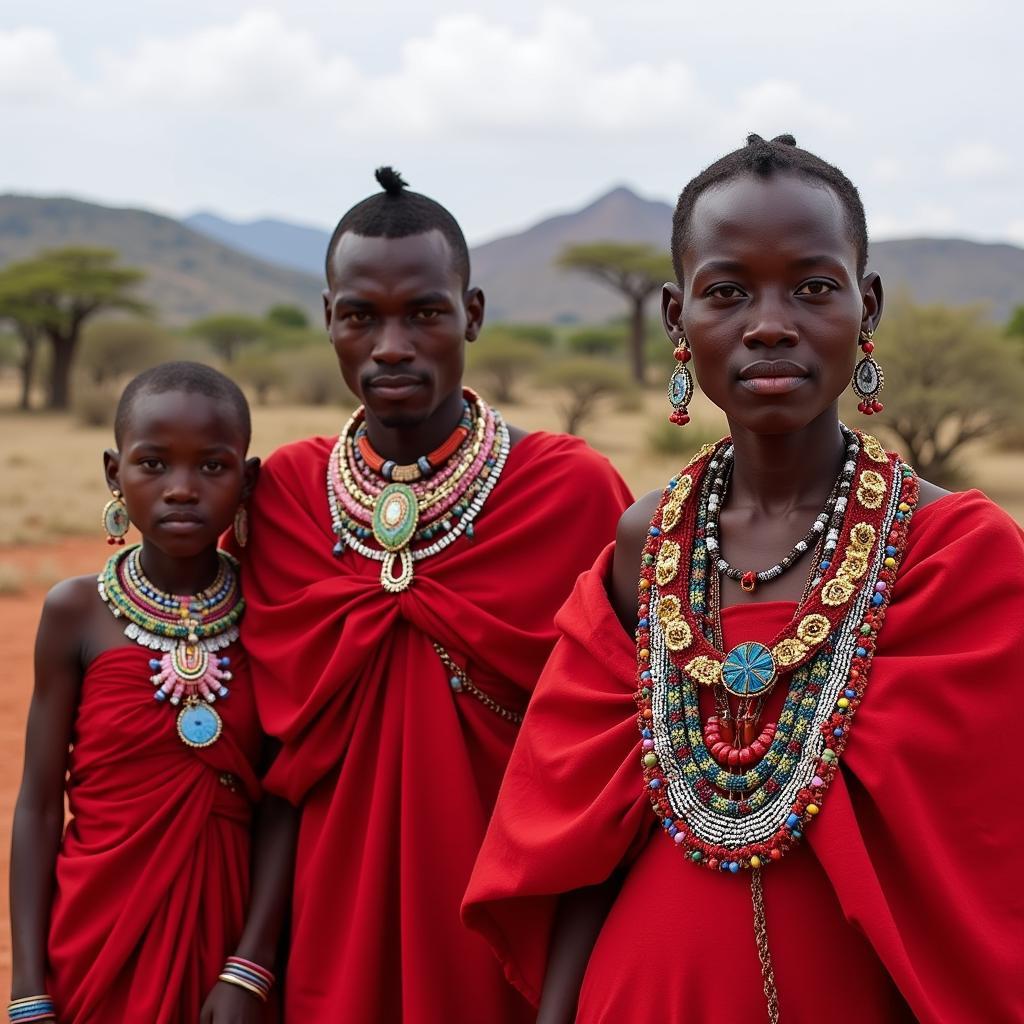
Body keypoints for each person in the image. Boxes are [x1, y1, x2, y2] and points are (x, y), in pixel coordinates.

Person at [463, 135, 1024, 1023]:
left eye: (812, 287)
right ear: (676, 318)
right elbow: (577, 833)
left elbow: (989, 874)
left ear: (864, 304)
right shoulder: (644, 544)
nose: (770, 322)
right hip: (648, 993)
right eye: (728, 293)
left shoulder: (957, 555)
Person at [236, 167, 632, 1022]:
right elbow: (255, 755)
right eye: (360, 317)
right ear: (329, 321)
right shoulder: (285, 496)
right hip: (327, 911)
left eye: (424, 313)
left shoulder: (570, 491)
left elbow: (618, 754)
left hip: (503, 913)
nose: (390, 345)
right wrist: (249, 957)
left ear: (473, 315)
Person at [9, 362, 296, 1023]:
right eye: (154, 464)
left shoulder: (272, 610)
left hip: (228, 933)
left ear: (247, 480)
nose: (181, 490)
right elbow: (38, 808)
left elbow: (286, 798)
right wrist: (28, 989)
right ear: (114, 472)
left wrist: (251, 968)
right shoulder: (73, 613)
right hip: (94, 932)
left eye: (213, 467)